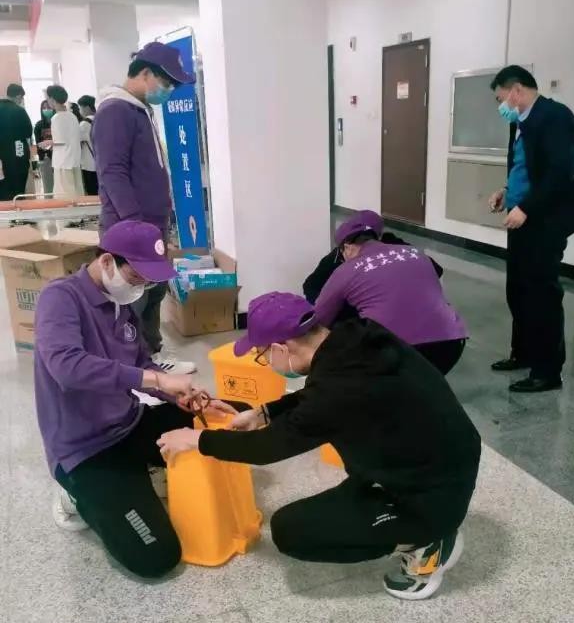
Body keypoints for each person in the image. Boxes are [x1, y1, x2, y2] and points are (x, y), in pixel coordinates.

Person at [158, 292, 481, 601]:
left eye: (262, 354)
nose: (265, 360)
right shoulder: (356, 339)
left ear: (281, 347)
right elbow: (321, 396)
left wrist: (197, 440)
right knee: (320, 514)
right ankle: (412, 522)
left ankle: (426, 544)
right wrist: (263, 412)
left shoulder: (339, 389)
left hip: (428, 495)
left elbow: (268, 447)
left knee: (291, 532)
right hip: (429, 465)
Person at [33, 220, 204, 579]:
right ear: (108, 261)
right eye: (136, 277)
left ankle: (139, 475)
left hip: (128, 422)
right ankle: (77, 495)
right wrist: (156, 378)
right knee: (156, 555)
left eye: (148, 282)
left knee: (216, 418)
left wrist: (175, 392)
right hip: (85, 449)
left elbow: (140, 363)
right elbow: (67, 367)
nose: (141, 287)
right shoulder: (60, 297)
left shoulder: (122, 305)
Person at [488, 65, 574, 394]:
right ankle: (524, 353)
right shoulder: (520, 121)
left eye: (501, 98)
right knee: (518, 288)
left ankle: (547, 371)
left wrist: (526, 207)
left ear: (516, 91)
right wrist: (507, 192)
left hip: (546, 218)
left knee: (542, 293)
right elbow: (525, 166)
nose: (501, 106)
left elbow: (561, 173)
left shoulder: (555, 117)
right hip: (522, 215)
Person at [92, 42, 196, 375]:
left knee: (153, 292)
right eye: (166, 83)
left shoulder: (139, 110)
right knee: (131, 297)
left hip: (150, 227)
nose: (168, 90)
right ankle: (135, 367)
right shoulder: (116, 111)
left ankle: (150, 355)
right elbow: (112, 172)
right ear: (146, 73)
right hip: (131, 229)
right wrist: (134, 226)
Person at [313, 212, 468, 376]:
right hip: (451, 343)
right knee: (423, 381)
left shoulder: (345, 270)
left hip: (396, 350)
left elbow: (319, 319)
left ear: (347, 247)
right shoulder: (416, 252)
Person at [303, 209, 444, 307]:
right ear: (346, 246)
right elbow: (311, 286)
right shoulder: (337, 257)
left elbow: (435, 269)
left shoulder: (394, 246)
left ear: (379, 238)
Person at [45, 84, 84, 199]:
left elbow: (60, 142)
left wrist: (48, 143)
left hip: (63, 161)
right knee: (76, 191)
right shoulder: (72, 116)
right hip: (74, 159)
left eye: (47, 98)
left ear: (52, 99)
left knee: (64, 196)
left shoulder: (56, 118)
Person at [0, 84, 33, 201]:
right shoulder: (19, 111)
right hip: (18, 154)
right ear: (18, 96)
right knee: (18, 190)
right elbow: (28, 132)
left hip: (2, 158)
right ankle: (18, 209)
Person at [33, 99, 55, 196]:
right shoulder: (39, 125)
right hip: (45, 158)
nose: (46, 110)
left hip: (59, 157)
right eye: (44, 108)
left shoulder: (57, 122)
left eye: (48, 107)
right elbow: (39, 143)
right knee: (48, 186)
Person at [77, 95, 98, 195]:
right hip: (102, 164)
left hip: (89, 165)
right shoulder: (101, 119)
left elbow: (76, 140)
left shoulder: (84, 124)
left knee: (92, 193)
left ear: (87, 108)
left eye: (80, 108)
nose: (80, 111)